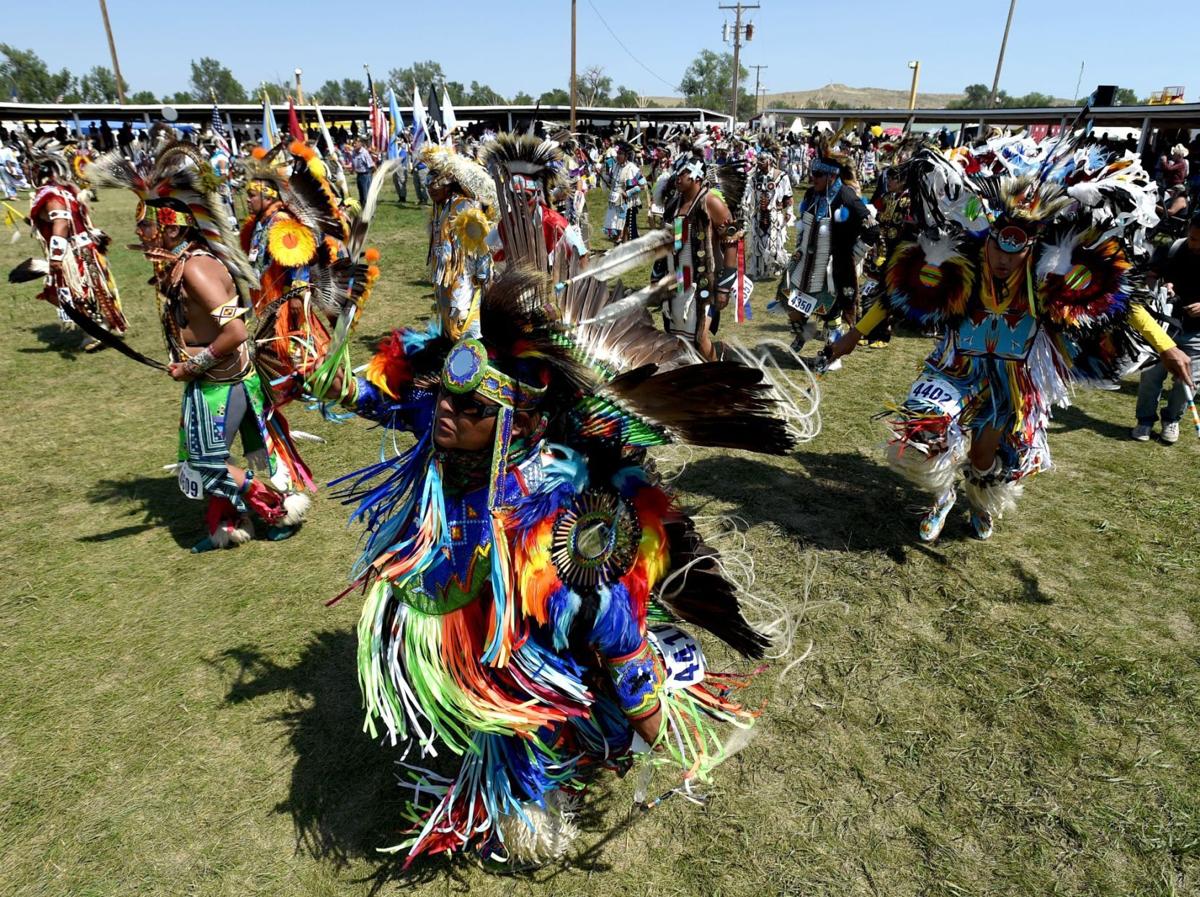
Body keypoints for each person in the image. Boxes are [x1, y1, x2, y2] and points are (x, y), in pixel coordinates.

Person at [314, 185, 795, 869]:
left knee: (537, 757)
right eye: (443, 400)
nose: (444, 415)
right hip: (476, 624)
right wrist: (327, 378)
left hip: (551, 663)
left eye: (468, 406)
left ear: (515, 418)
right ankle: (490, 732)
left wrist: (669, 739)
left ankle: (547, 762)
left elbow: (616, 635)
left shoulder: (573, 521)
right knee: (492, 689)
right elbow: (392, 402)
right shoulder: (457, 432)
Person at [826, 145, 1191, 541]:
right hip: (957, 367)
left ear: (1034, 245)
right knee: (922, 436)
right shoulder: (960, 260)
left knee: (986, 459)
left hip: (1011, 380)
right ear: (989, 235)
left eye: (1017, 249)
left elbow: (1121, 306)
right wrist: (853, 335)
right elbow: (898, 295)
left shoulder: (1050, 275)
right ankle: (943, 494)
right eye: (999, 244)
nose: (1004, 258)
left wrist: (1166, 346)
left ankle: (982, 502)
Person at [85, 142, 314, 552]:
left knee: (207, 463)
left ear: (170, 226)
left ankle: (277, 509)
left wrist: (193, 365)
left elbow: (235, 332)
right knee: (201, 454)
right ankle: (225, 525)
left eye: (144, 224)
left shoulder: (195, 268)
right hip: (212, 382)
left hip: (221, 385)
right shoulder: (184, 263)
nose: (139, 233)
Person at [10, 138, 126, 351]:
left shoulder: (52, 195)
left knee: (68, 293)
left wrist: (55, 257)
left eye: (31, 169)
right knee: (71, 292)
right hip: (84, 247)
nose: (29, 173)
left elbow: (62, 223)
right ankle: (99, 324)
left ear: (39, 170)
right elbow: (68, 218)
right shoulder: (66, 189)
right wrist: (35, 221)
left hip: (72, 253)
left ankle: (96, 328)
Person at [777, 138, 870, 356]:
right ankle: (802, 335)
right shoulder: (811, 195)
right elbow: (804, 225)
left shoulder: (846, 197)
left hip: (831, 267)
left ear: (831, 175)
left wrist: (853, 255)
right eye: (812, 173)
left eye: (818, 175)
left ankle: (832, 352)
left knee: (830, 312)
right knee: (792, 303)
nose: (812, 178)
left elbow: (872, 228)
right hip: (805, 262)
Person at [653, 153, 745, 362]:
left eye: (683, 172)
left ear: (696, 176)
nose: (677, 176)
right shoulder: (673, 205)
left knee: (700, 336)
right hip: (677, 280)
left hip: (705, 282)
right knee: (676, 335)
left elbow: (732, 243)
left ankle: (717, 380)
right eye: (677, 172)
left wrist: (724, 286)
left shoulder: (711, 203)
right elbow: (665, 243)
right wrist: (657, 274)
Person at [1133, 212, 1200, 443]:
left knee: (1188, 382)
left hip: (1197, 333)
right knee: (1151, 376)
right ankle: (1144, 421)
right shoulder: (1172, 250)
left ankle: (1172, 420)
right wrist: (1161, 287)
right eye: (1192, 238)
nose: (1195, 245)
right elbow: (1151, 276)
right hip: (1165, 325)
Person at [420, 144, 497, 339]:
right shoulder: (439, 209)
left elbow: (482, 246)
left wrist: (482, 273)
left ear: (448, 184)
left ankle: (471, 359)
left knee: (463, 317)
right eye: (428, 186)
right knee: (448, 318)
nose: (431, 190)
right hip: (446, 278)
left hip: (464, 276)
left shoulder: (464, 206)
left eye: (436, 186)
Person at [743, 149, 793, 281]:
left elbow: (788, 195)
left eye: (762, 161)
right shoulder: (753, 177)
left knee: (774, 242)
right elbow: (747, 194)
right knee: (758, 243)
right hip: (758, 215)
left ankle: (775, 267)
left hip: (774, 214)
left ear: (770, 161)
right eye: (758, 161)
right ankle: (760, 270)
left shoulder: (781, 176)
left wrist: (788, 211)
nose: (759, 163)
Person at [602, 142, 646, 244]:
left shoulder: (632, 168)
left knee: (626, 225)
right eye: (617, 153)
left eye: (620, 154)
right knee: (615, 224)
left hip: (627, 202)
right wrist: (603, 173)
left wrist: (629, 192)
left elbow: (643, 185)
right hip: (615, 201)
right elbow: (611, 181)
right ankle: (618, 243)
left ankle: (625, 245)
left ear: (626, 156)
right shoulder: (615, 166)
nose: (618, 156)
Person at [351, 138, 375, 205]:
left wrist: (371, 175)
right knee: (361, 194)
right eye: (353, 143)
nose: (354, 144)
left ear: (360, 144)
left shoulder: (364, 153)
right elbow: (353, 163)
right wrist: (352, 169)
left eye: (355, 143)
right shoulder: (353, 152)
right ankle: (363, 210)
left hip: (365, 175)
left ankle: (369, 212)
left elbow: (371, 165)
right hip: (359, 175)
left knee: (366, 195)